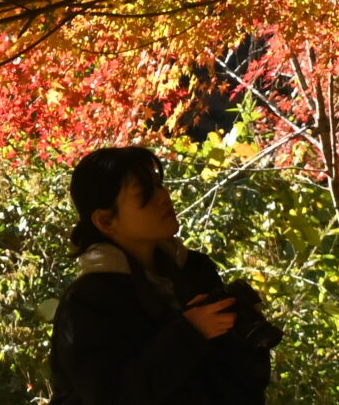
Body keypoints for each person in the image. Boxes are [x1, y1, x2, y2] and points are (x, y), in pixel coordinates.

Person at [49, 145, 278, 404]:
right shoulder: (88, 301)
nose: (163, 197)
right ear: (105, 221)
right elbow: (110, 396)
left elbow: (240, 383)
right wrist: (190, 333)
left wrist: (249, 343)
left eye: (159, 185)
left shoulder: (194, 269)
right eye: (145, 194)